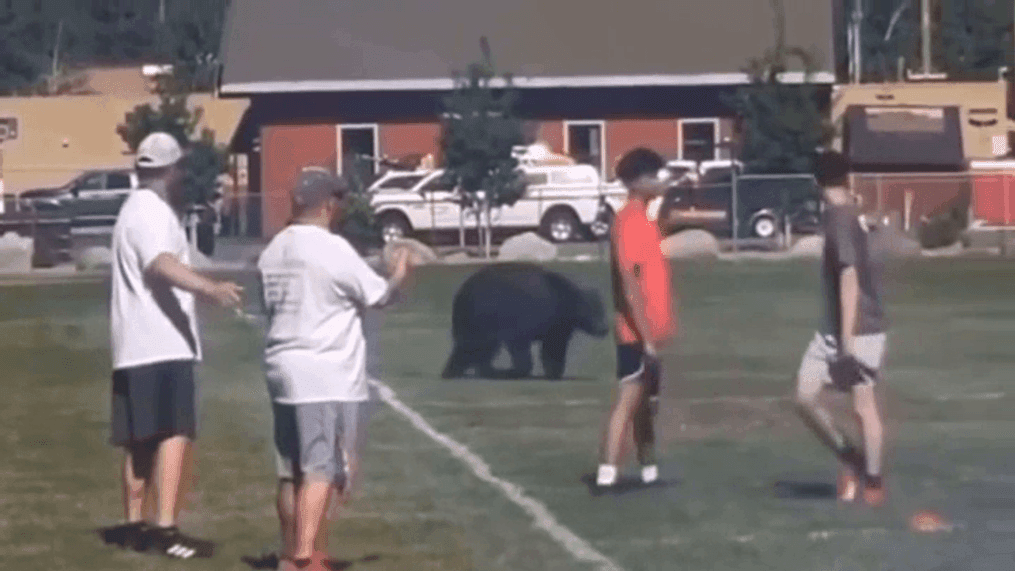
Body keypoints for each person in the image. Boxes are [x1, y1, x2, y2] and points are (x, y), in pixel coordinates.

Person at [257, 167, 414, 571]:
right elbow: (378, 295)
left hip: (281, 366)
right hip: (323, 372)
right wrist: (398, 273)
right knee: (321, 469)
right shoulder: (331, 248)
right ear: (329, 205)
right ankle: (305, 559)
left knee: (290, 470)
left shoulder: (273, 249)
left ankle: (290, 552)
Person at [99, 132, 244, 558]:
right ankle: (165, 529)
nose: (182, 176)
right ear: (169, 171)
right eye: (179, 168)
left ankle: (133, 526)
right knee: (174, 433)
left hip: (135, 344)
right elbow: (161, 264)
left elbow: (177, 258)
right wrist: (209, 290)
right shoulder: (152, 212)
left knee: (139, 440)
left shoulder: (133, 210)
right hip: (161, 343)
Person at [793, 150, 888, 507]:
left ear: (815, 182)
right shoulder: (846, 212)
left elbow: (849, 279)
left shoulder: (840, 219)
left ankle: (874, 483)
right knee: (804, 397)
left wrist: (846, 346)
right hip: (834, 329)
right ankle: (851, 457)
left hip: (859, 330)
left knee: (864, 405)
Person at [596, 147, 676, 490]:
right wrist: (644, 338)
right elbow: (630, 285)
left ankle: (649, 470)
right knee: (628, 402)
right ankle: (607, 473)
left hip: (650, 332)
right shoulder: (628, 222)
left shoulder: (646, 221)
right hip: (635, 332)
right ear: (639, 181)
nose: (661, 180)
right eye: (655, 175)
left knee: (647, 406)